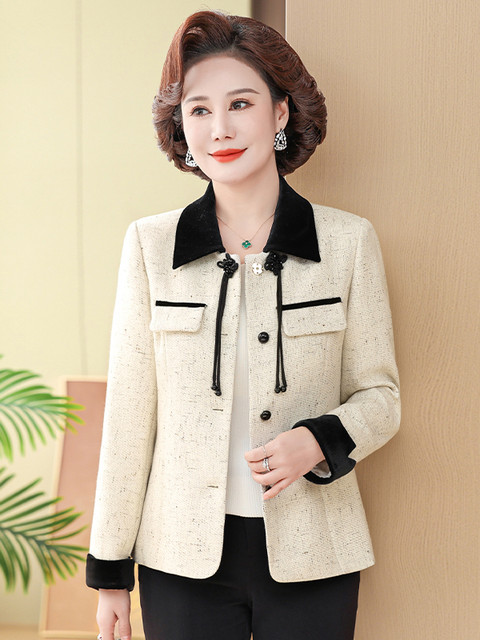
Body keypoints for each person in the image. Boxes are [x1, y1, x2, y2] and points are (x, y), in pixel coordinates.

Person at [86, 10, 400, 640]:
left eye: (240, 104)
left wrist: (318, 440)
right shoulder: (150, 246)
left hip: (316, 555)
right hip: (180, 559)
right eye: (199, 110)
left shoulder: (348, 243)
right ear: (181, 125)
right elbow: (128, 418)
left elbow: (382, 397)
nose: (220, 129)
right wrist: (111, 571)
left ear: (280, 113)